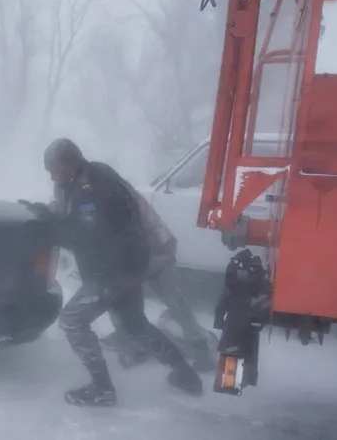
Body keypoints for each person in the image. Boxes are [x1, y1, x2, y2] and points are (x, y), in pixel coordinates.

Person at [36, 138, 203, 407]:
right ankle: (185, 373)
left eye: (54, 171)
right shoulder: (97, 172)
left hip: (111, 271)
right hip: (129, 265)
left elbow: (85, 235)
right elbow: (85, 222)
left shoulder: (89, 190)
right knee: (135, 323)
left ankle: (102, 389)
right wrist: (49, 213)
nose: (53, 179)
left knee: (72, 321)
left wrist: (50, 229)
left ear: (68, 165)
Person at [93, 173, 217, 372]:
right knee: (170, 294)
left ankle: (130, 340)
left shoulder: (103, 195)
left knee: (117, 290)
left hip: (147, 249)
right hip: (161, 242)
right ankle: (197, 341)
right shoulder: (114, 186)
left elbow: (117, 230)